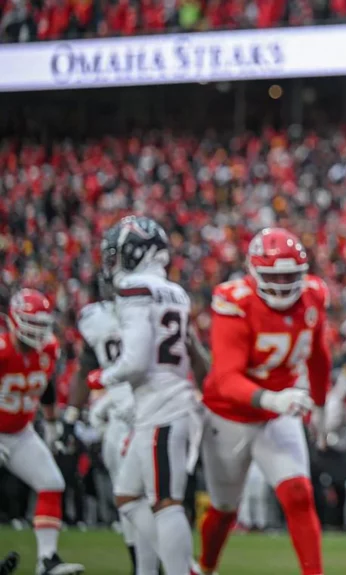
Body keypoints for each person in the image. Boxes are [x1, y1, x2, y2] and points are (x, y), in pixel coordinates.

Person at [195, 227, 331, 575]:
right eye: (275, 275)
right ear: (254, 272)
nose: (284, 283)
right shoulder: (235, 301)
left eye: (291, 275)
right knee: (224, 507)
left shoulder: (314, 295)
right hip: (230, 416)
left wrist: (319, 405)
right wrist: (273, 399)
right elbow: (225, 379)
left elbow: (319, 356)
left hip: (277, 410)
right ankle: (206, 568)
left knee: (299, 495)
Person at [93, 215, 202, 575]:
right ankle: (179, 564)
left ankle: (180, 570)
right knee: (127, 495)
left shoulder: (135, 288)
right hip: (163, 403)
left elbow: (137, 361)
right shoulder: (175, 291)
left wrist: (104, 377)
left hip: (161, 406)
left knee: (166, 502)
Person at [62, 272, 148, 574]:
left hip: (150, 411)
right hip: (121, 419)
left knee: (153, 499)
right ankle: (143, 565)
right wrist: (72, 415)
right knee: (128, 499)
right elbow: (86, 367)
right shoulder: (97, 319)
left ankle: (158, 564)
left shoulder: (150, 308)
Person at [0, 289, 85, 575]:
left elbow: (46, 389)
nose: (38, 332)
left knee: (51, 482)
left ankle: (46, 560)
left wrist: (50, 425)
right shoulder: (2, 350)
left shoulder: (48, 349)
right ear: (15, 321)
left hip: (20, 432)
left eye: (41, 325)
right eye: (31, 324)